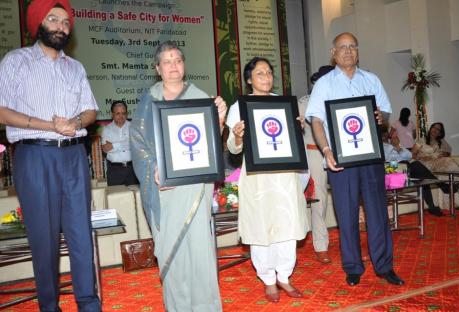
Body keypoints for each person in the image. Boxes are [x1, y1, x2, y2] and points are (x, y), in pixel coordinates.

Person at [0, 1, 102, 310]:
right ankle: (49, 306)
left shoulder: (76, 68)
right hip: (34, 157)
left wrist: (75, 123)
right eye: (53, 19)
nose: (60, 26)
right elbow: (1, 110)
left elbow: (90, 110)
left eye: (65, 22)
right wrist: (49, 125)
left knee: (81, 236)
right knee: (44, 241)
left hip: (73, 158)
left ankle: (88, 303)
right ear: (38, 24)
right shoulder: (16, 61)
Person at [130, 42, 226, 311]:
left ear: (184, 64)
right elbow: (137, 143)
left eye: (178, 60)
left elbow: (209, 145)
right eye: (167, 61)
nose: (173, 66)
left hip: (194, 187)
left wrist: (218, 121)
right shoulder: (148, 102)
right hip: (163, 190)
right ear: (157, 68)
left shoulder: (199, 96)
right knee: (173, 251)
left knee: (199, 249)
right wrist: (155, 169)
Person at [305, 32, 404, 287]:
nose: (348, 51)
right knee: (346, 214)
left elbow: (386, 113)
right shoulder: (324, 84)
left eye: (352, 47)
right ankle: (352, 267)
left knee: (377, 213)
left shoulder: (371, 80)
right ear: (333, 52)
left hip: (370, 157)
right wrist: (326, 150)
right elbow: (316, 120)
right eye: (343, 47)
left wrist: (381, 118)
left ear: (357, 51)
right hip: (340, 159)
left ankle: (384, 266)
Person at [226, 57, 309, 303]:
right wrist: (237, 136)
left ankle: (284, 275)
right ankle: (268, 280)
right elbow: (233, 149)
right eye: (260, 73)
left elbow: (293, 143)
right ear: (249, 79)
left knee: (287, 225)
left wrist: (298, 128)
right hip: (257, 179)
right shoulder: (238, 107)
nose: (266, 77)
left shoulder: (283, 104)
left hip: (284, 177)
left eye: (269, 72)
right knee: (260, 227)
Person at [298, 65, 335, 264]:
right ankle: (321, 245)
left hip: (340, 154)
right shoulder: (304, 103)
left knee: (345, 198)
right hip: (314, 153)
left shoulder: (340, 98)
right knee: (319, 200)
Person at [381, 125, 454, 217]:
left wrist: (398, 147)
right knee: (416, 165)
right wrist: (395, 151)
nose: (387, 135)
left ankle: (432, 206)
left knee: (422, 177)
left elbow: (409, 155)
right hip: (390, 170)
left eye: (386, 134)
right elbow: (384, 160)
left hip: (405, 168)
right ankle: (441, 185)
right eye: (384, 134)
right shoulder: (380, 147)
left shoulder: (393, 145)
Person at [101, 100, 139, 186]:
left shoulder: (133, 126)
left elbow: (135, 145)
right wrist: (127, 143)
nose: (121, 116)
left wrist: (114, 145)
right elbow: (105, 148)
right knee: (115, 198)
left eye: (123, 113)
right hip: (114, 171)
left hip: (133, 169)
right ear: (112, 114)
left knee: (134, 197)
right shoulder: (107, 129)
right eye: (118, 113)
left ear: (127, 114)